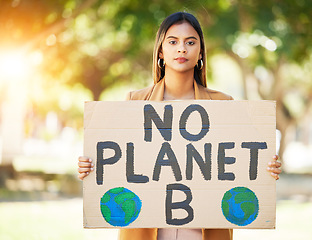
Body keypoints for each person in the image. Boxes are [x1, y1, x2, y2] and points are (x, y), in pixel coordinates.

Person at [78, 11, 282, 240]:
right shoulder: (135, 102)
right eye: (173, 42)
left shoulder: (223, 104)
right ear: (161, 52)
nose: (182, 49)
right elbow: (118, 165)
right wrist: (91, 166)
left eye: (190, 42)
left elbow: (244, 165)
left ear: (201, 52)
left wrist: (267, 169)